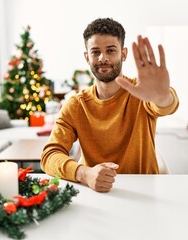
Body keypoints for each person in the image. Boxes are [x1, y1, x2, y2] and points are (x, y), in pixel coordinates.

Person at [41, 18, 179, 192]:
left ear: (124, 53)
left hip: (144, 192)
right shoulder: (76, 104)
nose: (103, 58)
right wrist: (84, 174)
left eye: (111, 50)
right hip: (96, 193)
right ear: (87, 57)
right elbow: (49, 155)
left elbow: (166, 105)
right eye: (95, 51)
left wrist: (163, 96)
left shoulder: (141, 92)